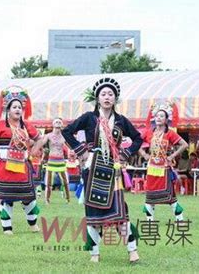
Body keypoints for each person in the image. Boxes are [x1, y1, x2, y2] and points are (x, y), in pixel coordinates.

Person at [61, 77, 143, 263]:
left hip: (113, 169)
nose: (107, 97)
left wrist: (126, 153)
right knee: (94, 213)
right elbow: (67, 131)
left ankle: (132, 251)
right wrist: (81, 151)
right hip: (93, 167)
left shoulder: (121, 121)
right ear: (97, 98)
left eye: (110, 94)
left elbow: (138, 138)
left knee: (120, 211)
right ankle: (94, 254)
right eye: (103, 94)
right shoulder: (89, 118)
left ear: (115, 99)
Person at [0, 86, 43, 236]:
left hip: (22, 166)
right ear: (8, 109)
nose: (18, 110)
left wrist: (34, 151)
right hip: (4, 167)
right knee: (6, 198)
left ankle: (33, 224)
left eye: (20, 107)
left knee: (28, 197)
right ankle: (7, 228)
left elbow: (40, 138)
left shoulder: (27, 125)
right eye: (14, 107)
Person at [138, 102, 188, 222]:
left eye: (161, 116)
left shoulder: (170, 133)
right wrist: (144, 154)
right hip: (151, 168)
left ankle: (179, 221)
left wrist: (172, 156)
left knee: (171, 197)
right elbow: (136, 143)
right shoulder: (149, 132)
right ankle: (150, 222)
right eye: (157, 116)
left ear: (166, 120)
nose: (159, 118)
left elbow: (184, 144)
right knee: (150, 197)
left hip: (164, 168)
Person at [39, 118, 70, 204]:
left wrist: (73, 152)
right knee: (48, 183)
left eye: (59, 122)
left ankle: (68, 199)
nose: (58, 123)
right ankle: (47, 200)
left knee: (65, 182)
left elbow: (70, 146)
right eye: (56, 122)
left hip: (61, 161)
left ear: (62, 125)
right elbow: (41, 143)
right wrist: (43, 151)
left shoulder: (64, 136)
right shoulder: (48, 136)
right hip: (51, 160)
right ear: (53, 124)